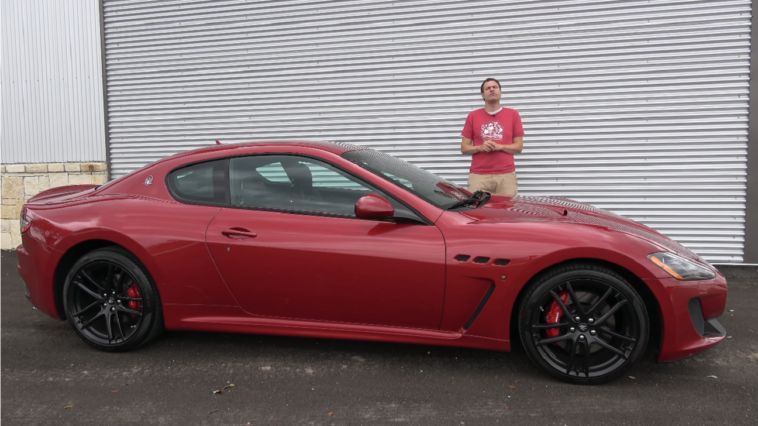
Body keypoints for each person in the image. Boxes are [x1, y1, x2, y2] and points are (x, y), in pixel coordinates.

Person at [460, 78, 524, 197]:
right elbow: (464, 148)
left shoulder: (513, 114)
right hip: (479, 176)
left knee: (506, 213)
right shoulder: (473, 116)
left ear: (500, 92)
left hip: (506, 176)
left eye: (495, 87)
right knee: (477, 212)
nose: (492, 90)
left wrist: (500, 146)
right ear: (483, 94)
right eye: (488, 88)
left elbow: (519, 147)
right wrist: (480, 147)